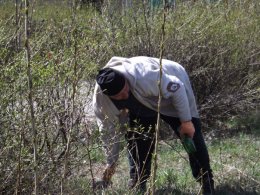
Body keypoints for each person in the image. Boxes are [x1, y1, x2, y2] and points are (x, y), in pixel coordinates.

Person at [92, 56, 214, 194]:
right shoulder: (101, 101)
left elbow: (177, 87)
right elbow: (108, 132)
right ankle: (138, 183)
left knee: (191, 137)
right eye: (119, 96)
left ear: (125, 79)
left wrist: (186, 121)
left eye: (125, 89)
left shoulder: (145, 75)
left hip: (173, 89)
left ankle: (206, 182)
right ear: (108, 95)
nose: (125, 95)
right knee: (138, 141)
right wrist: (111, 162)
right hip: (142, 105)